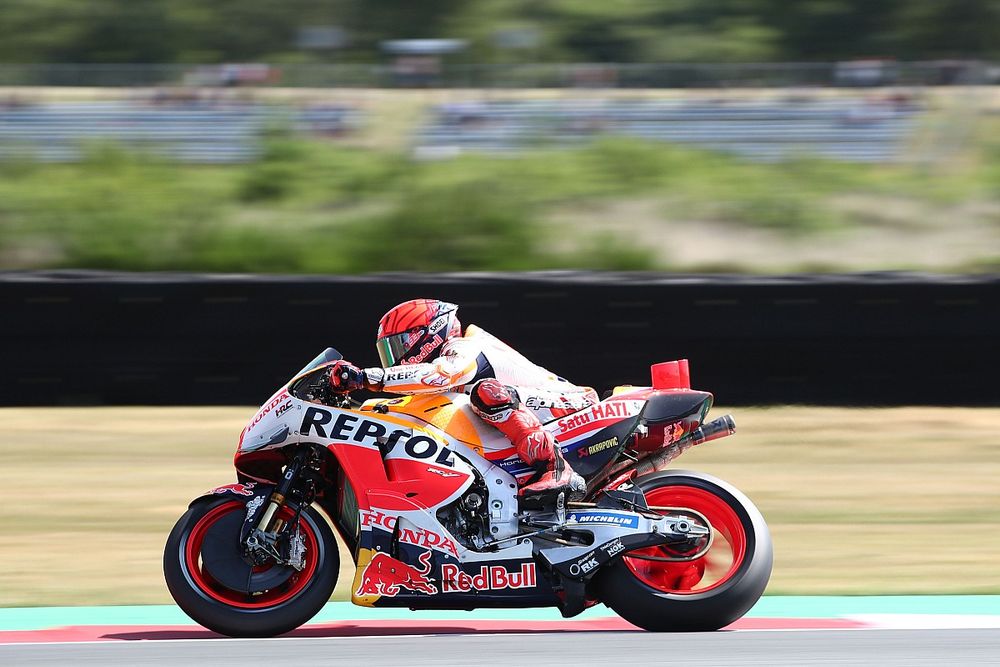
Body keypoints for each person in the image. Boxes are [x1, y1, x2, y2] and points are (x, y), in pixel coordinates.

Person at [326, 298, 592, 500]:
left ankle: (556, 468)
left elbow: (440, 375)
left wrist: (367, 378)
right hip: (535, 413)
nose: (395, 358)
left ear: (428, 333)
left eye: (399, 345)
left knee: (485, 393)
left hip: (571, 403)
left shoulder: (464, 346)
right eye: (388, 351)